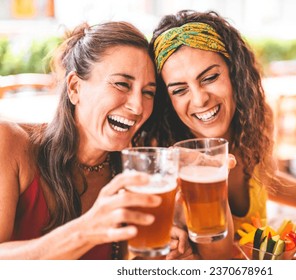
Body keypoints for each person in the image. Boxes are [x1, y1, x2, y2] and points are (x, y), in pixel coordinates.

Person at [136, 10, 296, 233]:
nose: (200, 99)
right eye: (179, 90)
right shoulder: (162, 155)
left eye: (210, 77)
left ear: (234, 73)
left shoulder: (257, 120)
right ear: (167, 100)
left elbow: (268, 180)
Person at [0, 21, 200, 260]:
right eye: (122, 84)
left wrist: (161, 258)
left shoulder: (131, 176)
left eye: (148, 92)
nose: (137, 106)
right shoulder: (10, 143)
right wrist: (86, 231)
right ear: (74, 88)